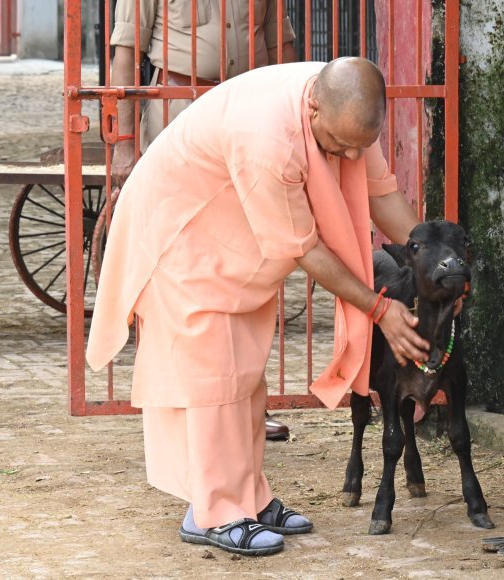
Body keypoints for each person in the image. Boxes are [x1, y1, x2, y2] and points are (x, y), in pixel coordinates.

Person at [87, 57, 429, 556]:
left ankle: (249, 496)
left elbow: (385, 198)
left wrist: (434, 267)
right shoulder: (268, 138)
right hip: (181, 232)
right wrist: (379, 309)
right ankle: (213, 512)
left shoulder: (348, 110)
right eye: (342, 144)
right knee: (213, 378)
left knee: (245, 374)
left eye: (362, 144)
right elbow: (306, 248)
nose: (353, 155)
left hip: (235, 239)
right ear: (314, 106)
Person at [110, 0, 296, 440]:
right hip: (178, 111)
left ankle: (248, 403)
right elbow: (125, 55)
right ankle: (179, 401)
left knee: (250, 265)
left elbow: (282, 48)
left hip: (250, 116)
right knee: (180, 262)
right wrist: (122, 142)